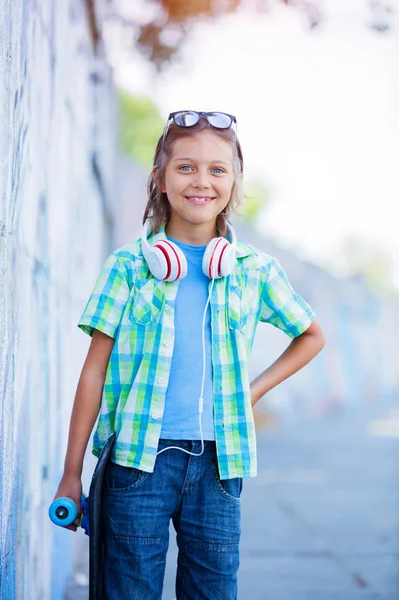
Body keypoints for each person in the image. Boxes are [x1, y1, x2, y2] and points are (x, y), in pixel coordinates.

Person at [53, 110, 325, 599]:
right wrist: (71, 475)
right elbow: (93, 374)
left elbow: (311, 335)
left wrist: (251, 390)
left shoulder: (253, 270)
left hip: (221, 465)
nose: (202, 181)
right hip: (138, 461)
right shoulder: (129, 267)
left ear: (235, 183)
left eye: (218, 169)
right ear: (159, 179)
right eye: (186, 167)